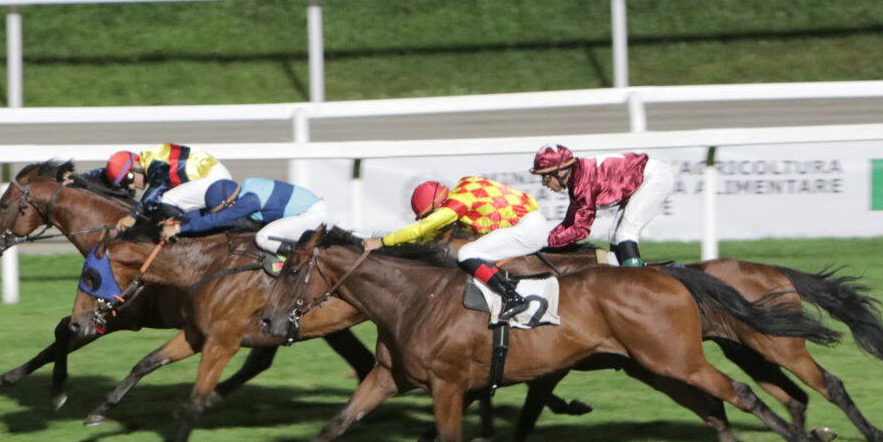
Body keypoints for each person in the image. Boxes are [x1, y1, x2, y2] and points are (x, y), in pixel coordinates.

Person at [362, 176, 551, 320]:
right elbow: (430, 234)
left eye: (431, 216)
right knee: (477, 251)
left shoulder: (454, 206)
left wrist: (382, 242)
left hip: (527, 230)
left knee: (467, 253)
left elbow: (422, 228)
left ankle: (512, 298)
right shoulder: (464, 185)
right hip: (531, 221)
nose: (433, 220)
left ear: (438, 209)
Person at [530, 143, 675, 266]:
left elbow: (581, 230)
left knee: (625, 233)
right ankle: (625, 272)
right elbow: (569, 223)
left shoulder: (583, 183)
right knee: (613, 235)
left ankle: (635, 283)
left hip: (656, 177)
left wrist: (546, 242)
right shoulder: (577, 179)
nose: (544, 183)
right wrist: (545, 239)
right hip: (647, 175)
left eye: (546, 176)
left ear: (561, 171)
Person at [158, 176, 334, 256]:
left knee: (263, 237)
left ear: (230, 204)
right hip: (311, 210)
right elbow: (210, 213)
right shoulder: (246, 187)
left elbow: (218, 219)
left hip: (313, 216)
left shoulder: (249, 202)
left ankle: (302, 259)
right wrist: (180, 219)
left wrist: (179, 229)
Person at [88, 144, 235, 231]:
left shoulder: (154, 163)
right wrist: (80, 177)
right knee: (161, 206)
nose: (132, 186)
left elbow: (160, 186)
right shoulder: (147, 160)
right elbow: (106, 173)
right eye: (126, 184)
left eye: (130, 179)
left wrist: (134, 215)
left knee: (167, 199)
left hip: (215, 180)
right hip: (212, 178)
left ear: (136, 165)